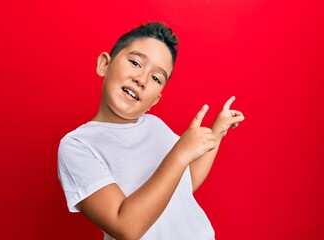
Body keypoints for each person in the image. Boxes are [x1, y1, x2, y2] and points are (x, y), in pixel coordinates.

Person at [58, 22, 244, 240]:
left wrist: (217, 132)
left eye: (156, 78)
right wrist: (180, 153)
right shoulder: (78, 145)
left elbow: (185, 182)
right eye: (136, 63)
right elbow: (125, 226)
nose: (142, 79)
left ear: (155, 99)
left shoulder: (155, 126)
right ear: (104, 64)